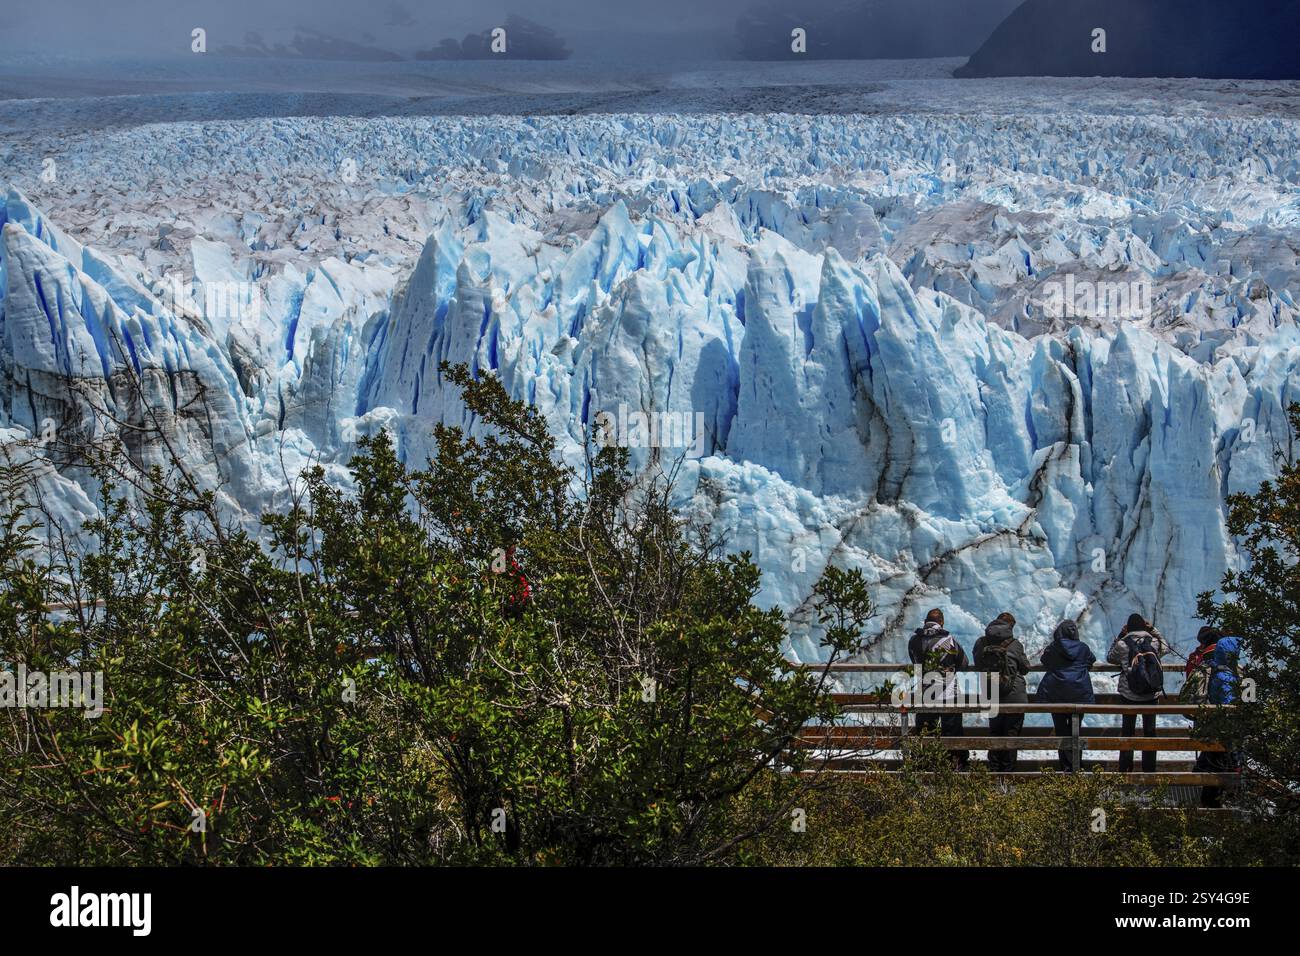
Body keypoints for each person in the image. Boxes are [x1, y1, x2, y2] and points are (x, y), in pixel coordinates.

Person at [1183, 627, 1241, 807]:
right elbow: (1229, 703)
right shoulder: (1226, 675)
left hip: (1209, 724)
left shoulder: (1209, 666)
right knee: (1222, 761)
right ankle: (1213, 803)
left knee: (1215, 758)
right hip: (1222, 727)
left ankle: (1207, 788)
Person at [1106, 613, 1172, 773]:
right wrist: (1153, 630)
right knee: (1150, 732)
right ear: (1144, 626)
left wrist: (1122, 635)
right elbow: (1166, 647)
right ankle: (1149, 770)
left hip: (1129, 695)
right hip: (1151, 694)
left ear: (1128, 627)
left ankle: (1125, 769)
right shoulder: (1153, 642)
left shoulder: (1122, 644)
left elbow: (1110, 657)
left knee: (1127, 731)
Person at [907, 608, 970, 770]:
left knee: (925, 730)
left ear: (925, 622)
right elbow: (964, 663)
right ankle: (954, 766)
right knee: (952, 732)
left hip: (925, 692)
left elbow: (915, 664)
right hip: (948, 693)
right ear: (941, 622)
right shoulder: (948, 640)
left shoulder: (914, 640)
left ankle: (924, 766)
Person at [973, 612, 1030, 771]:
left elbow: (978, 665)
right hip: (1014, 695)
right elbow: (1025, 668)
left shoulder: (981, 642)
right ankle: (1008, 774)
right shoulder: (1015, 644)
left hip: (991, 693)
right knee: (1011, 734)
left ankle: (994, 772)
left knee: (995, 733)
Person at [1037, 619, 1096, 771]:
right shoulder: (1083, 648)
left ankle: (1066, 766)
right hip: (1079, 694)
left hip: (1056, 694)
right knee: (1076, 731)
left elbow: (1045, 661)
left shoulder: (1053, 647)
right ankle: (1077, 764)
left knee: (1061, 730)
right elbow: (1091, 661)